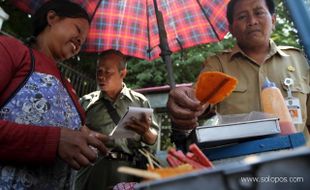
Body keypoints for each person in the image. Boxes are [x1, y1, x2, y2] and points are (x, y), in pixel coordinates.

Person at [167, 0, 310, 149]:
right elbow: (198, 98)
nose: (252, 21)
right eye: (242, 17)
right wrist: (185, 102)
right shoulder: (218, 64)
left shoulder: (300, 60)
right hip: (243, 164)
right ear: (232, 29)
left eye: (258, 12)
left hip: (299, 161)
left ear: (273, 20)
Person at [0, 1, 108, 189]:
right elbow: (59, 138)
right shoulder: (11, 51)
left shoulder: (69, 89)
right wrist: (53, 141)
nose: (80, 41)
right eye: (78, 29)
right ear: (52, 18)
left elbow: (73, 136)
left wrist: (89, 140)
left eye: (83, 40)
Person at [75, 50, 159, 190]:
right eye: (99, 71)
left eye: (108, 72)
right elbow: (73, 137)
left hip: (128, 172)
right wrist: (89, 135)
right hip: (93, 170)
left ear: (123, 73)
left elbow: (153, 141)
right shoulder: (86, 103)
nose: (101, 77)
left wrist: (146, 132)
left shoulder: (139, 101)